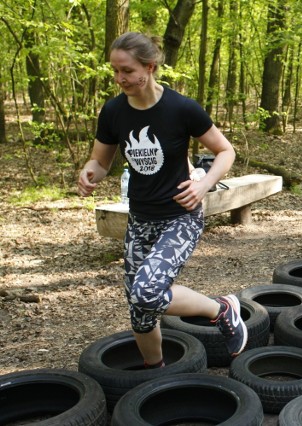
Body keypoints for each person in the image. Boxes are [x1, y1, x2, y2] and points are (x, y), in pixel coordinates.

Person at [77, 32, 247, 368]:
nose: (119, 79)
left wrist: (205, 184)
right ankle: (156, 373)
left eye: (126, 71)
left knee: (147, 293)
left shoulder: (180, 108)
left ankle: (221, 309)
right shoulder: (113, 112)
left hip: (180, 216)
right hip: (140, 219)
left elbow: (225, 150)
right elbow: (101, 160)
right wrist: (90, 172)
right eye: (115, 71)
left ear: (150, 66)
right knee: (139, 310)